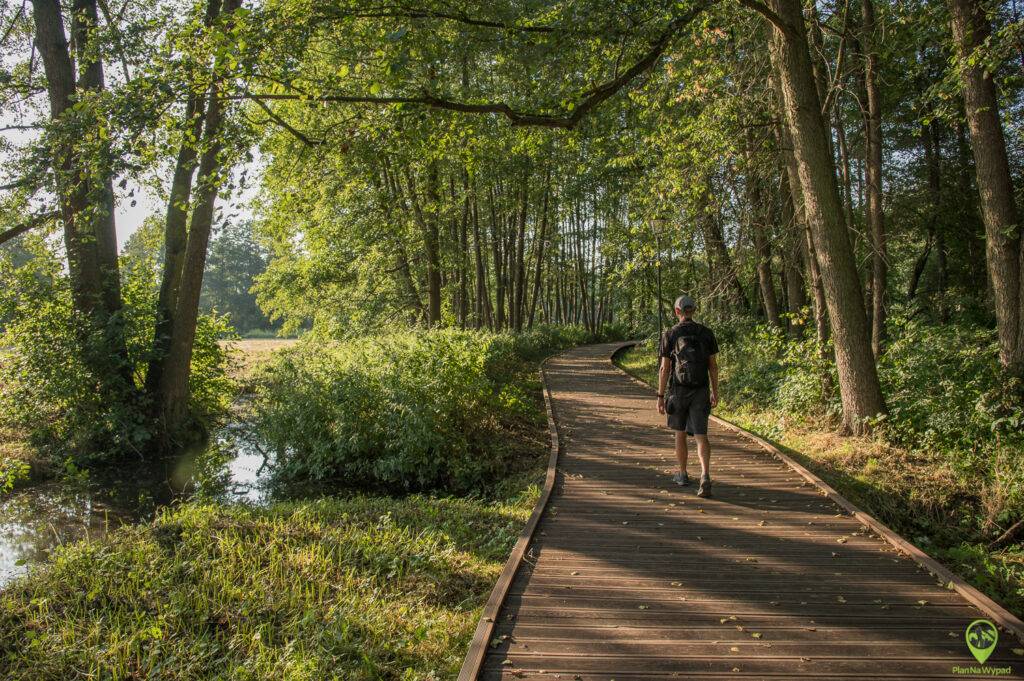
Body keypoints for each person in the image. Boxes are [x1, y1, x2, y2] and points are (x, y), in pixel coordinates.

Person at [657, 295, 720, 498]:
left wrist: (660, 395)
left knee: (680, 432)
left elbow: (665, 368)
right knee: (701, 435)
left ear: (677, 311)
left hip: (678, 390)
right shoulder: (707, 333)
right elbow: (713, 366)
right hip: (701, 389)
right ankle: (705, 475)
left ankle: (683, 474)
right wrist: (715, 392)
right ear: (693, 310)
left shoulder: (671, 334)